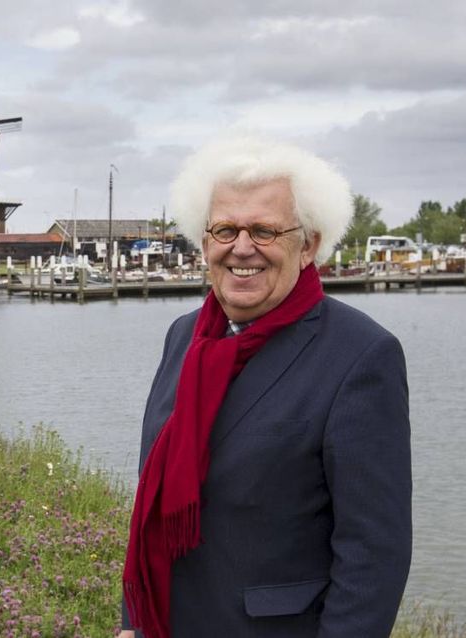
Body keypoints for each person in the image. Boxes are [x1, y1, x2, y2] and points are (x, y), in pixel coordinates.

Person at [118, 136, 411, 638]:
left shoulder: (362, 356)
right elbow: (153, 496)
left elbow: (374, 556)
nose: (242, 248)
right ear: (205, 241)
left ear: (310, 245)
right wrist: (132, 623)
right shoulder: (183, 337)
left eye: (265, 230)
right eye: (226, 229)